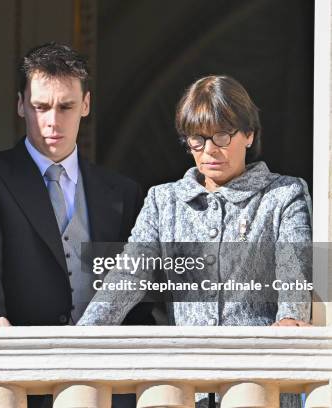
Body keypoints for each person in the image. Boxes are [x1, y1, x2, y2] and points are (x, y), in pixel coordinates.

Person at [78, 75, 311, 407]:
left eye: (221, 135)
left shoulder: (283, 195)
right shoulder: (164, 201)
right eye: (197, 140)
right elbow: (127, 276)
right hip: (187, 388)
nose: (210, 150)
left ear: (249, 134)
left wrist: (290, 317)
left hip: (260, 386)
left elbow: (294, 276)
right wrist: (81, 336)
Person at [0, 42, 154, 328]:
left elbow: (135, 293)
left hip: (104, 361)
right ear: (21, 105)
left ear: (85, 104)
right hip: (20, 355)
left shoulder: (123, 192)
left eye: (66, 107)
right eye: (41, 107)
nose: (52, 122)